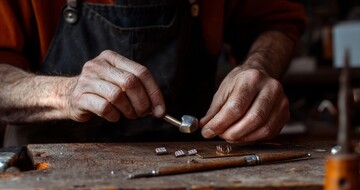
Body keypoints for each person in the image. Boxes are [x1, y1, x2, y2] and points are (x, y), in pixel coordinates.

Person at [0, 0, 307, 146]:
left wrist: (258, 67)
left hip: (194, 168)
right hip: (48, 179)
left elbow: (276, 21)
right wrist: (64, 93)